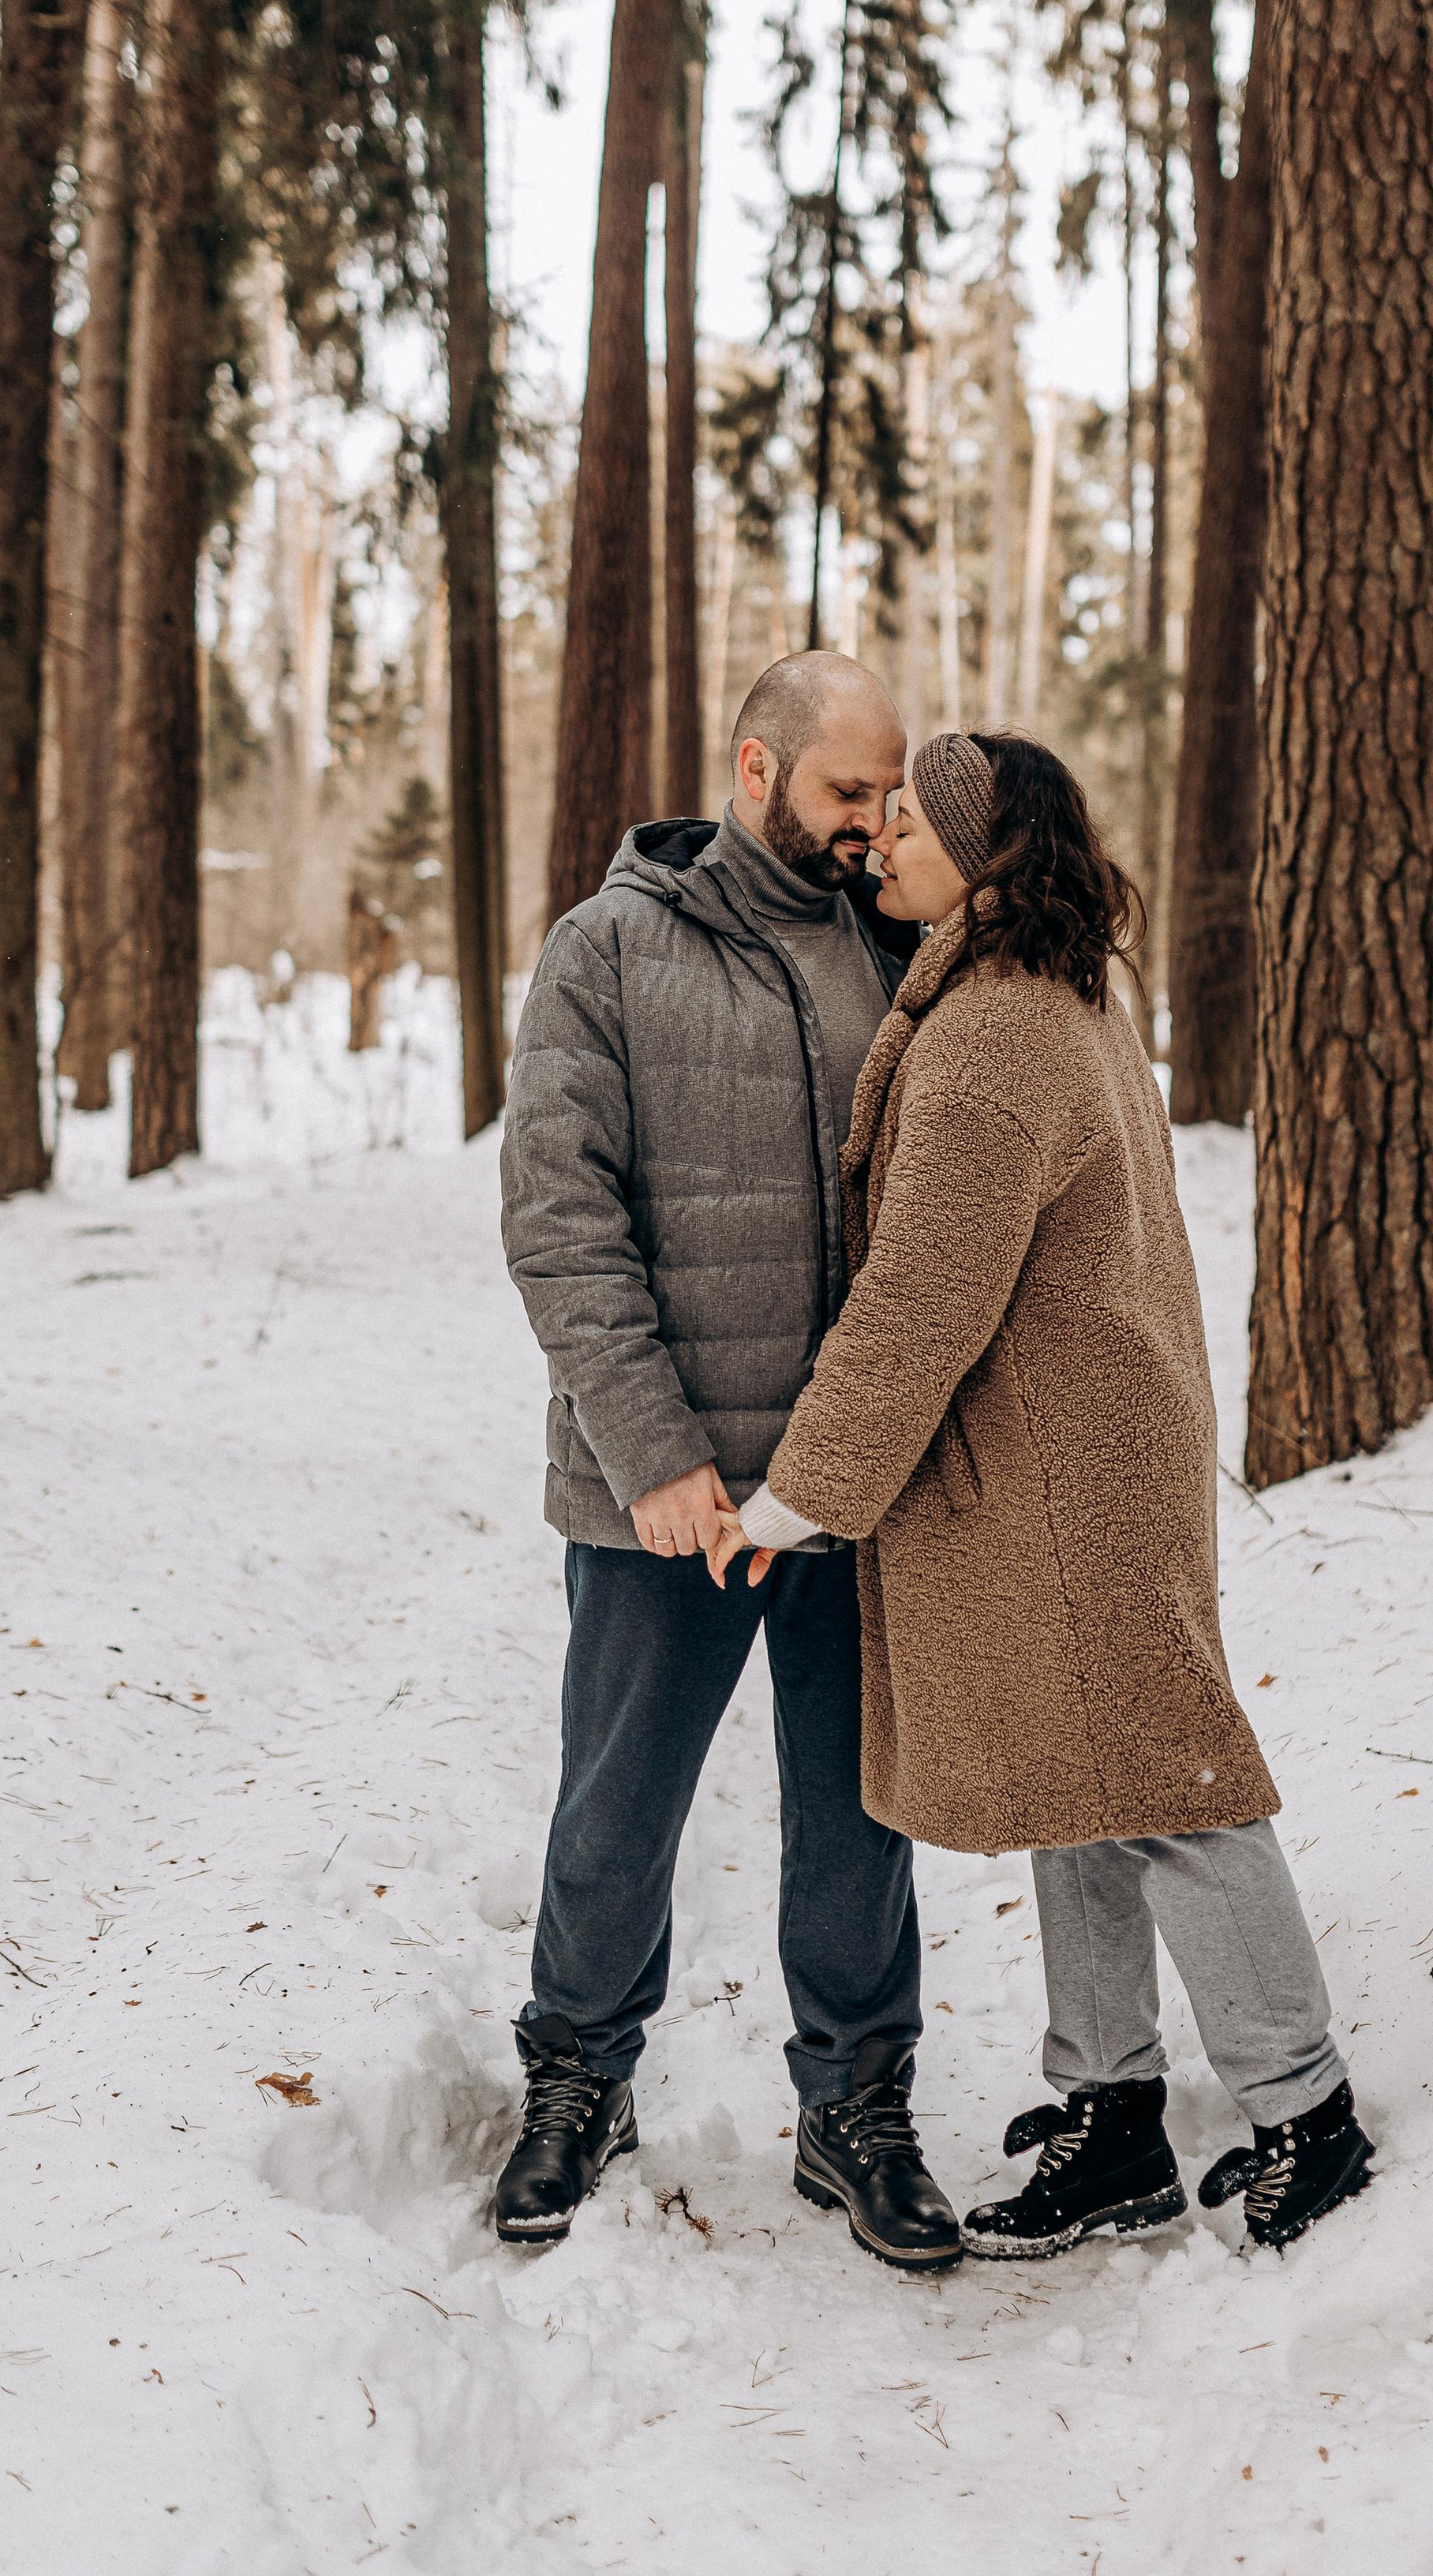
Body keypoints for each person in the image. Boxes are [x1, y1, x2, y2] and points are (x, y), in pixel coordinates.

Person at [709, 730, 1374, 2259]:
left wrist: (798, 1494)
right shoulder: (1037, 983)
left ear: (985, 858)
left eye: (914, 823)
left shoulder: (997, 1028)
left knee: (1166, 1779)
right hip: (1072, 1449)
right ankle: (1111, 2113)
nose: (882, 836)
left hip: (1069, 1472)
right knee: (1083, 1787)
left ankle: (1305, 2108)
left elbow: (918, 1301)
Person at [494, 655, 962, 2269]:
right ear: (755, 770)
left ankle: (857, 2105)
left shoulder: (900, 952)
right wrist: (655, 1455)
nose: (871, 822)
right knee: (614, 1809)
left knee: (856, 1818)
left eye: (887, 795)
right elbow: (559, 1220)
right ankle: (574, 2076)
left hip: (846, 1488)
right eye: (849, 790)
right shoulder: (604, 951)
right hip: (665, 1498)